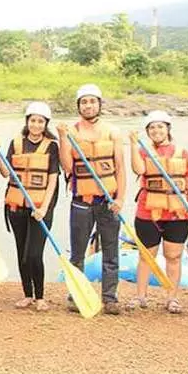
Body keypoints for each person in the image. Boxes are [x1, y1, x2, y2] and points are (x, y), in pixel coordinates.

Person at [57, 83, 126, 315]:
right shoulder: (71, 132)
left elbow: (121, 169)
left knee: (110, 251)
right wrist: (62, 137)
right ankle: (77, 294)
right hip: (81, 201)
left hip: (108, 201)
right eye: (84, 102)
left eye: (92, 101)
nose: (88, 105)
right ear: (79, 106)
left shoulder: (113, 133)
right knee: (78, 252)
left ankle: (110, 297)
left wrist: (121, 199)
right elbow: (67, 167)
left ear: (99, 104)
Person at [127, 110, 188, 314]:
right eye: (151, 128)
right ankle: (140, 296)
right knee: (146, 256)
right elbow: (139, 170)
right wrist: (133, 144)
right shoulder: (143, 151)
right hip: (148, 212)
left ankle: (172, 297)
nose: (156, 130)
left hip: (177, 214)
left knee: (173, 256)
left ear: (168, 129)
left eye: (160, 126)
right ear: (147, 132)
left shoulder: (182, 152)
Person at [0, 101, 59, 311]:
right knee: (22, 252)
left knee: (34, 254)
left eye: (40, 121)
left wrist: (44, 209)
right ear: (27, 122)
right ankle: (27, 294)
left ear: (45, 124)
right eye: (33, 120)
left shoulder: (51, 146)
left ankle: (40, 296)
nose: (36, 125)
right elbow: (6, 173)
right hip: (17, 208)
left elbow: (52, 180)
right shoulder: (16, 143)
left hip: (40, 209)